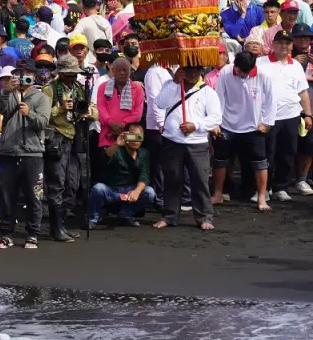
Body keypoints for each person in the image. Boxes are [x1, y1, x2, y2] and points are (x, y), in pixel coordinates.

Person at [0, 62, 50, 249]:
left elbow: (43, 123)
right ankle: (6, 234)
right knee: (7, 196)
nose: (22, 77)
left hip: (32, 153)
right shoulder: (8, 94)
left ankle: (33, 234)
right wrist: (6, 91)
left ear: (34, 76)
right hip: (8, 152)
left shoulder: (41, 97)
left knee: (34, 196)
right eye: (19, 74)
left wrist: (29, 113)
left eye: (27, 74)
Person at [152, 64, 221, 231]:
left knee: (200, 179)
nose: (191, 74)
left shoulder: (207, 92)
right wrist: (175, 82)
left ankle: (204, 216)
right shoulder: (171, 85)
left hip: (197, 142)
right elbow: (160, 103)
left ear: (200, 72)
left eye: (195, 71)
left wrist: (195, 125)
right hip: (172, 141)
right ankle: (169, 215)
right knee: (172, 179)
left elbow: (215, 118)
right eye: (188, 71)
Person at [213, 51, 276, 209]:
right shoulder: (226, 72)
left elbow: (271, 100)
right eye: (240, 71)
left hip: (253, 125)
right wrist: (216, 122)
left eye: (246, 72)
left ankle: (261, 197)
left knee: (260, 162)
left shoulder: (263, 74)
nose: (242, 75)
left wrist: (267, 123)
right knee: (220, 160)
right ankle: (218, 193)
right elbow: (219, 97)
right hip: (227, 124)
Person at [258, 30, 312, 202]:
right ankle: (264, 188)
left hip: (291, 115)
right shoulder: (260, 62)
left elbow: (303, 92)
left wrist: (308, 114)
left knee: (288, 152)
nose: (284, 46)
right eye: (280, 43)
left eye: (287, 43)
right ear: (273, 45)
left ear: (291, 46)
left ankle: (281, 186)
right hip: (268, 116)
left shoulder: (295, 65)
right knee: (267, 153)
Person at [42, 54, 88, 241]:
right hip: (56, 139)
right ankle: (55, 228)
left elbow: (91, 108)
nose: (72, 78)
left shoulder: (78, 88)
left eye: (74, 74)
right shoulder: (50, 89)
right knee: (57, 185)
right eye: (68, 75)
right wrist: (59, 109)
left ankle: (60, 224)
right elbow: (43, 115)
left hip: (73, 138)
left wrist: (86, 111)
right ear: (60, 74)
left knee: (73, 184)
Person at [87, 124, 156, 226]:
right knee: (98, 188)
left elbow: (144, 175)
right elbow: (105, 156)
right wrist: (117, 144)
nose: (136, 140)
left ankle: (126, 214)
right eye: (132, 136)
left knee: (150, 192)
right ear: (126, 136)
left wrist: (137, 191)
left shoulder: (144, 153)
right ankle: (93, 219)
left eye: (139, 137)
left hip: (130, 190)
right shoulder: (116, 150)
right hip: (112, 190)